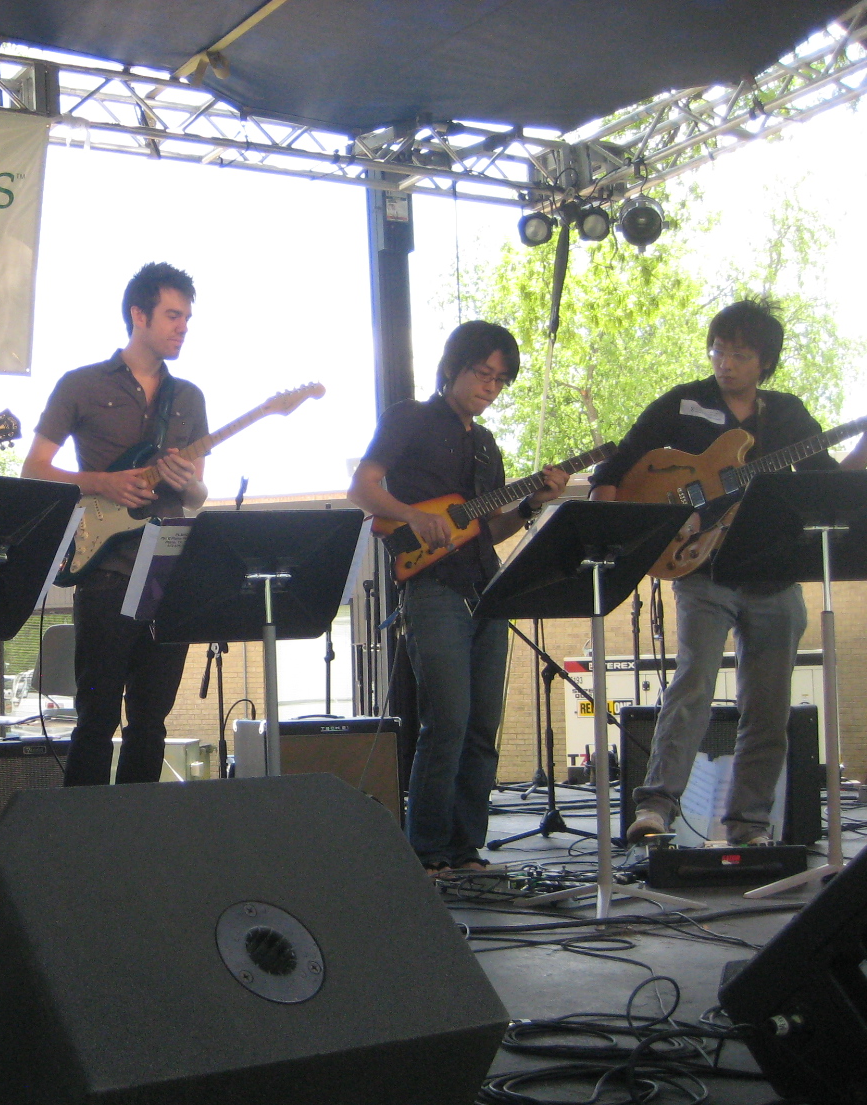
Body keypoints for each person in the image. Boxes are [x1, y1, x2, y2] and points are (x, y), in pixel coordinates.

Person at [590, 300, 867, 846]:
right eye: (719, 350)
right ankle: (655, 811)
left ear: (764, 361)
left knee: (767, 707)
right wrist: (625, 525)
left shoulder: (786, 413)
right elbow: (617, 467)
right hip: (702, 568)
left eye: (739, 354)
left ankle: (749, 826)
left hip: (774, 574)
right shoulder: (683, 402)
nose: (726, 363)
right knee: (690, 687)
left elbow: (827, 485)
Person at [350, 321, 567, 876]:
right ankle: (424, 852)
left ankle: (466, 848)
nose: (489, 386)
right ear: (453, 368)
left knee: (481, 726)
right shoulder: (409, 419)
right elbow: (363, 488)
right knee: (445, 721)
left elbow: (488, 532)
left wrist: (530, 506)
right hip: (431, 589)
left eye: (500, 380)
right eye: (481, 373)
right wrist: (415, 515)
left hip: (485, 590)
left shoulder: (488, 446)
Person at [21, 262, 208, 786]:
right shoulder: (80, 385)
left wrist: (185, 478)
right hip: (103, 570)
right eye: (173, 315)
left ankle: (138, 841)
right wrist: (103, 482)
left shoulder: (189, 398)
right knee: (97, 718)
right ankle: (84, 849)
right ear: (138, 314)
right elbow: (34, 470)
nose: (182, 327)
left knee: (151, 721)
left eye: (188, 318)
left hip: (166, 573)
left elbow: (198, 494)